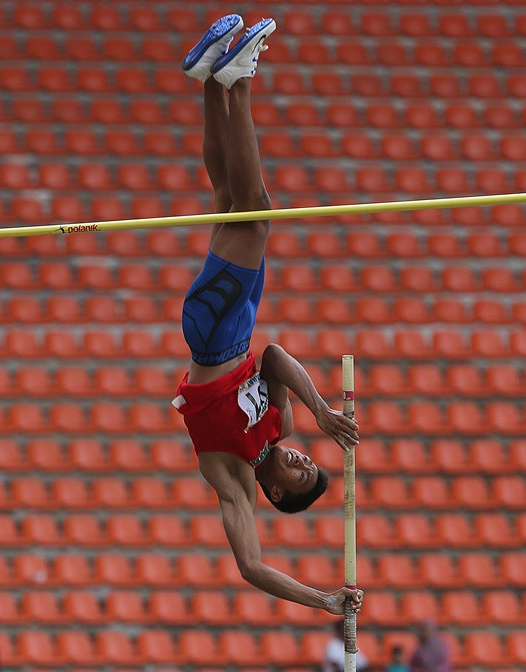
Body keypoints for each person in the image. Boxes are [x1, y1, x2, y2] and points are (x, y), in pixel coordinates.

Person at [171, 14, 363, 617]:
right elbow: (276, 358)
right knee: (232, 199)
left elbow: (251, 566)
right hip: (239, 326)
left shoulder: (233, 480)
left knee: (256, 210)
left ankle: (240, 81)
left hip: (214, 336)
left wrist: (324, 600)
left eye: (301, 475)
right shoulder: (279, 425)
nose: (306, 460)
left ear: (275, 491)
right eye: (311, 463)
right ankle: (212, 80)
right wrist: (322, 411)